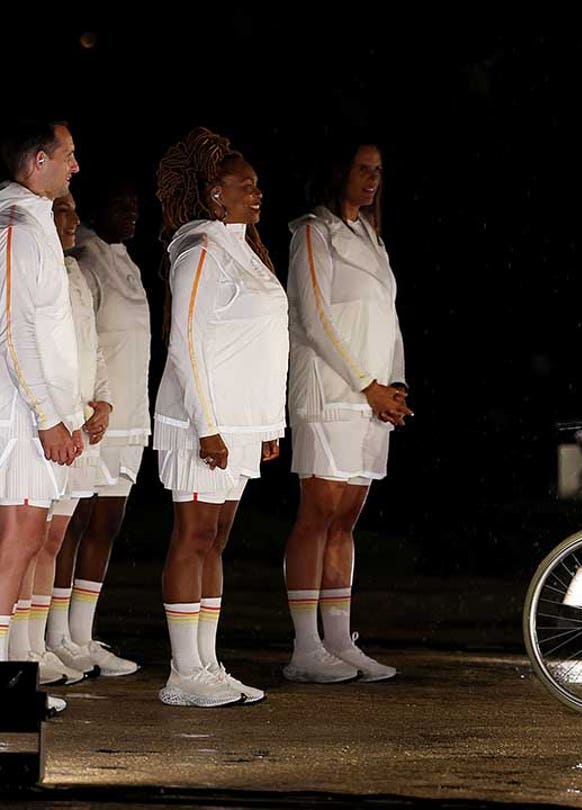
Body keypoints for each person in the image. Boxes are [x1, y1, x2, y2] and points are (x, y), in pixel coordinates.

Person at [152, 128, 288, 707]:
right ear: (214, 192)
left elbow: (264, 342)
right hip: (200, 423)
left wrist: (269, 425)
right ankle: (183, 673)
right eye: (245, 185)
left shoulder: (242, 246)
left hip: (240, 423)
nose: (256, 193)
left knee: (219, 539)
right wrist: (207, 425)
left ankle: (207, 663)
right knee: (195, 534)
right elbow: (184, 343)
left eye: (257, 185)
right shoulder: (199, 249)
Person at [282, 141, 411, 684]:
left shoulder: (371, 238)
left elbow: (389, 318)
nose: (372, 178)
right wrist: (367, 384)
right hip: (330, 396)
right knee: (318, 515)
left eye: (378, 171)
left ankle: (339, 638)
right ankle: (305, 648)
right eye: (362, 168)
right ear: (338, 170)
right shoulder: (313, 232)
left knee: (346, 520)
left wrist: (396, 384)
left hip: (372, 403)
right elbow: (313, 318)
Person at [0, 120, 85, 716]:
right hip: (16, 413)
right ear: (37, 160)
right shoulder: (18, 226)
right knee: (18, 541)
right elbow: (14, 326)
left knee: (26, 542)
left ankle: (8, 678)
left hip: (30, 411)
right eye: (68, 156)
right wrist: (48, 416)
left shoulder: (33, 225)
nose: (74, 166)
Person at [47, 179, 148, 678]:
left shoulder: (123, 260)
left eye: (135, 204)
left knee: (103, 526)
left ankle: (81, 634)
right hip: (84, 420)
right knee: (72, 525)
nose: (131, 212)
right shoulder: (83, 255)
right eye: (121, 202)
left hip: (123, 413)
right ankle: (54, 633)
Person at [34, 192, 114, 687]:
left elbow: (93, 349)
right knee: (32, 541)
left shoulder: (75, 272)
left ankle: (37, 646)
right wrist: (63, 413)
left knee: (53, 540)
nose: (74, 221)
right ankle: (23, 649)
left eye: (75, 212)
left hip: (80, 425)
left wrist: (101, 401)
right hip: (50, 427)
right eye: (62, 211)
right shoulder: (36, 269)